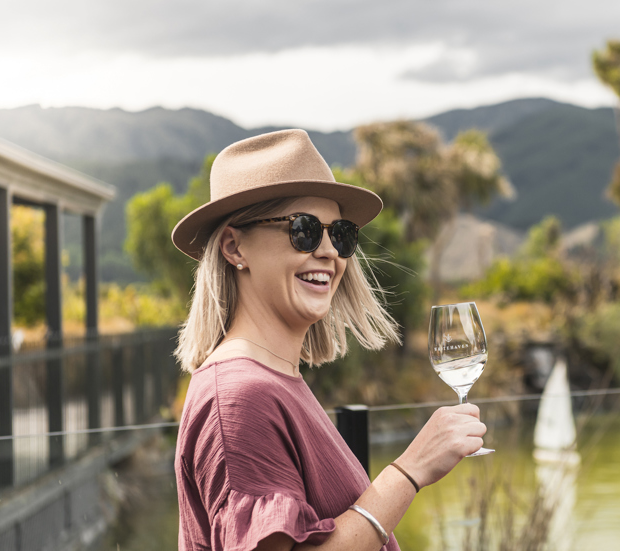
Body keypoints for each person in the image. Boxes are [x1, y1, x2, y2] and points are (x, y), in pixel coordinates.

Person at [172, 129, 487, 551]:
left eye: (340, 234)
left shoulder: (275, 381)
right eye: (303, 230)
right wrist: (410, 471)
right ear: (234, 247)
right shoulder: (239, 398)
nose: (329, 252)